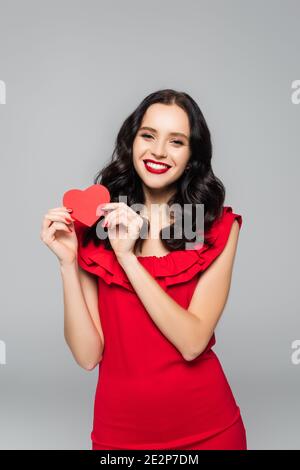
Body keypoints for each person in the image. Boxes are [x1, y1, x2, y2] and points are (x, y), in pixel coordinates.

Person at [40, 89, 247, 450]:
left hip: (208, 431)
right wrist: (68, 264)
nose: (159, 152)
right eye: (148, 135)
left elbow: (192, 343)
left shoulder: (215, 228)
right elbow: (88, 356)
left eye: (177, 141)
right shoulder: (94, 228)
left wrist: (128, 258)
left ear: (192, 155)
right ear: (131, 141)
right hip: (119, 435)